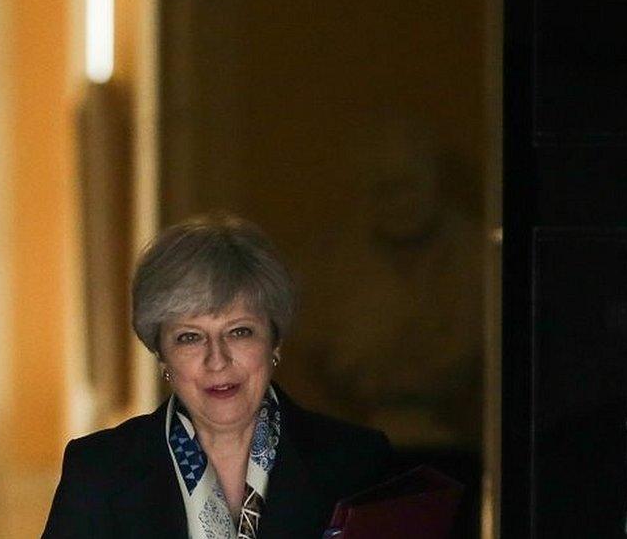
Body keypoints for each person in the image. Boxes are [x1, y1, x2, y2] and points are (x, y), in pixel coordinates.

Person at [43, 214, 393, 538]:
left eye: (239, 332)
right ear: (162, 355)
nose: (217, 360)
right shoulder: (99, 470)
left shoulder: (357, 462)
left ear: (274, 342)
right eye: (190, 337)